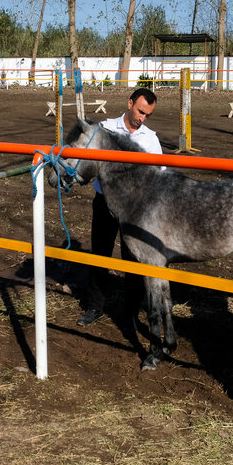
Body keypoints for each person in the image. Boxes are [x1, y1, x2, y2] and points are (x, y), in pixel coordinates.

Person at [77, 87, 163, 328]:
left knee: (132, 260)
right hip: (104, 202)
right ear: (129, 103)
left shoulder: (150, 139)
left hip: (134, 209)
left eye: (147, 115)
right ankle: (94, 307)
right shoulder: (104, 129)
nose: (142, 118)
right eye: (140, 111)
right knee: (100, 254)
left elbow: (160, 174)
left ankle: (131, 313)